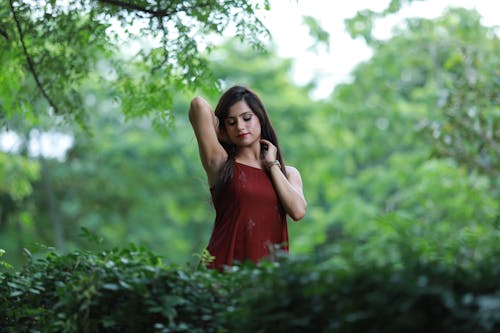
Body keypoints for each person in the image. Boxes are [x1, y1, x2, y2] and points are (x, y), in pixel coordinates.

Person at [189, 85, 306, 270]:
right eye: (232, 122)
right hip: (223, 271)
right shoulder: (220, 163)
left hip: (268, 276)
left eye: (247, 118)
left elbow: (298, 212)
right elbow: (198, 105)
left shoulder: (288, 173)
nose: (241, 127)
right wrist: (220, 133)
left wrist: (272, 165)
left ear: (261, 118)